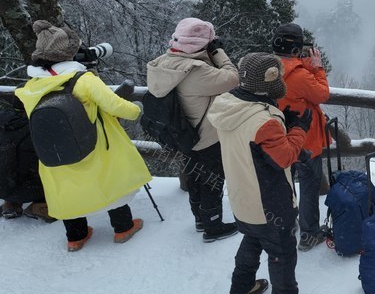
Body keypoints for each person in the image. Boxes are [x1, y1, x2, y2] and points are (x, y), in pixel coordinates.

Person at [14, 20, 150, 251]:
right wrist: (138, 110)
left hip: (55, 150)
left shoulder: (31, 86)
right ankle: (123, 228)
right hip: (93, 144)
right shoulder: (83, 79)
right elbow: (118, 107)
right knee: (108, 180)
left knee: (67, 188)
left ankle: (76, 237)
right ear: (68, 52)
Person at [209, 52, 322, 294]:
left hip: (242, 197)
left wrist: (282, 124)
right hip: (268, 201)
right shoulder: (263, 122)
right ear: (269, 82)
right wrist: (298, 129)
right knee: (282, 250)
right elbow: (284, 157)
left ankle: (241, 287)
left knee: (252, 238)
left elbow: (255, 147)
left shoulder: (229, 105)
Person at [146, 17, 240, 242]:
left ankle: (200, 218)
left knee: (194, 176)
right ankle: (213, 226)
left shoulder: (162, 63)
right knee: (212, 181)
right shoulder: (196, 71)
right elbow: (232, 77)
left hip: (181, 134)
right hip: (205, 137)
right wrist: (217, 53)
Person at [271, 23, 331, 251]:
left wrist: (307, 65)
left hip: (277, 137)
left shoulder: (267, 68)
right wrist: (318, 68)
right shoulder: (300, 77)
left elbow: (292, 68)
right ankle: (309, 233)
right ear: (297, 48)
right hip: (304, 140)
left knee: (284, 184)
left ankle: (285, 225)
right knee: (309, 186)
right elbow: (322, 94)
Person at [1, 95, 53, 221]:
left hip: (3, 187)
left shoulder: (3, 121)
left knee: (11, 161)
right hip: (29, 187)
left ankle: (11, 204)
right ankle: (39, 206)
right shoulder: (35, 126)